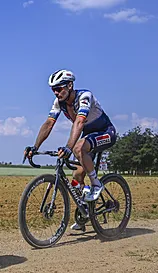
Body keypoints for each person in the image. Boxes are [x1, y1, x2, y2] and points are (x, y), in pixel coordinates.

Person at [24, 69, 117, 231]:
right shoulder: (58, 103)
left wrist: (68, 147)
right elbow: (48, 124)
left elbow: (79, 123)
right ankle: (85, 212)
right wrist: (35, 147)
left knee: (77, 147)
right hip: (90, 136)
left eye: (59, 88)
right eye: (53, 89)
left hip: (105, 132)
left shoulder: (84, 96)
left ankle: (96, 184)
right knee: (76, 178)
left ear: (70, 85)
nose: (55, 92)